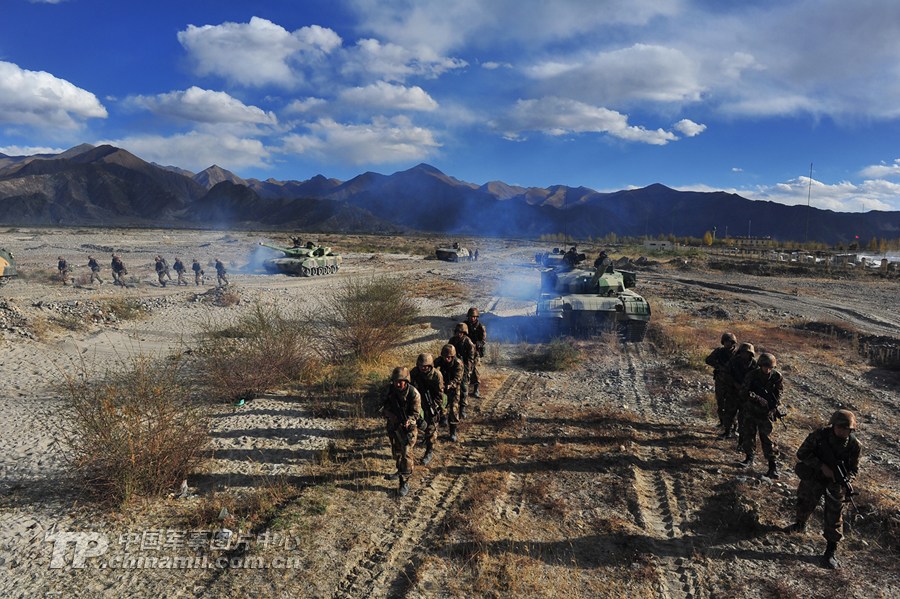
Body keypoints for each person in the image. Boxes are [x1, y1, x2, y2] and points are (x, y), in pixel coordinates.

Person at [788, 410, 862, 570]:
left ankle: (830, 550)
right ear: (833, 425)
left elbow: (854, 469)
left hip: (835, 482)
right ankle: (800, 524)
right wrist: (821, 466)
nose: (842, 431)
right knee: (804, 501)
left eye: (846, 429)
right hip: (815, 476)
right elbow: (802, 453)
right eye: (839, 427)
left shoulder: (854, 445)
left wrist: (846, 480)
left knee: (835, 514)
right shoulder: (819, 436)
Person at [739, 352, 784, 477]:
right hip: (751, 410)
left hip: (766, 413)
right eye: (765, 366)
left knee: (768, 439)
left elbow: (779, 392)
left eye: (770, 367)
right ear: (760, 365)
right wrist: (756, 398)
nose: (767, 369)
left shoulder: (776, 377)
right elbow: (743, 392)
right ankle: (749, 458)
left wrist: (774, 406)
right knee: (748, 435)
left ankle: (772, 466)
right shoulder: (752, 375)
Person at [382, 366, 421, 497]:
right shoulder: (389, 391)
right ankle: (399, 470)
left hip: (408, 427)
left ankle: (404, 482)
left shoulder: (413, 393)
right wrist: (389, 414)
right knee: (397, 451)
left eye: (401, 381)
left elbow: (416, 414)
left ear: (406, 381)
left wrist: (408, 421)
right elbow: (380, 407)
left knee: (406, 453)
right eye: (396, 381)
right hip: (393, 425)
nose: (398, 384)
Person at [410, 353, 445, 466]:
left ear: (430, 366)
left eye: (425, 366)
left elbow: (440, 395)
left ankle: (429, 450)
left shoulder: (437, 375)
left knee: (431, 426)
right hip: (418, 400)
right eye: (421, 366)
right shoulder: (414, 372)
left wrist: (435, 406)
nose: (423, 368)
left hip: (432, 401)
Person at [721, 342, 757, 443]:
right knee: (729, 413)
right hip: (732, 392)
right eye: (743, 352)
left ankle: (741, 440)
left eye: (747, 353)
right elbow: (725, 373)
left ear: (751, 354)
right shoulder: (733, 361)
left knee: (744, 419)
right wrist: (733, 383)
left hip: (746, 396)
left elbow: (757, 381)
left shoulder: (754, 365)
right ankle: (727, 431)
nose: (744, 355)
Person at [705, 333, 738, 429]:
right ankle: (722, 422)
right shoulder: (719, 352)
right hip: (720, 380)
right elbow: (708, 360)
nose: (728, 344)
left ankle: (733, 425)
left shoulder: (737, 353)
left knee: (732, 405)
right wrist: (718, 365)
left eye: (730, 342)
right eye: (726, 342)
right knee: (720, 403)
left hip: (732, 383)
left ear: (733, 343)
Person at [448, 322, 477, 418]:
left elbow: (471, 358)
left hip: (464, 368)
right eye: (457, 332)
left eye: (461, 332)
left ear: (464, 333)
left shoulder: (468, 342)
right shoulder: (452, 340)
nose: (459, 334)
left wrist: (467, 370)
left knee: (464, 388)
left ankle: (462, 409)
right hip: (453, 367)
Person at [438, 344, 464, 442]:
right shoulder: (440, 360)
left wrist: (450, 385)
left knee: (453, 409)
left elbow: (458, 378)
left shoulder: (458, 363)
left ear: (453, 356)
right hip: (442, 387)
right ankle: (443, 418)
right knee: (440, 405)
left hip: (453, 389)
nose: (446, 359)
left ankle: (453, 432)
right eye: (445, 357)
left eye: (449, 357)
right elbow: (432, 367)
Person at [465, 308, 487, 399]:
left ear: (477, 317)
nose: (472, 318)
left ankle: (476, 389)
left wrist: (477, 344)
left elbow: (483, 341)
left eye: (474, 317)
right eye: (471, 316)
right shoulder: (464, 325)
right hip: (465, 350)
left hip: (475, 351)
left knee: (476, 369)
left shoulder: (480, 327)